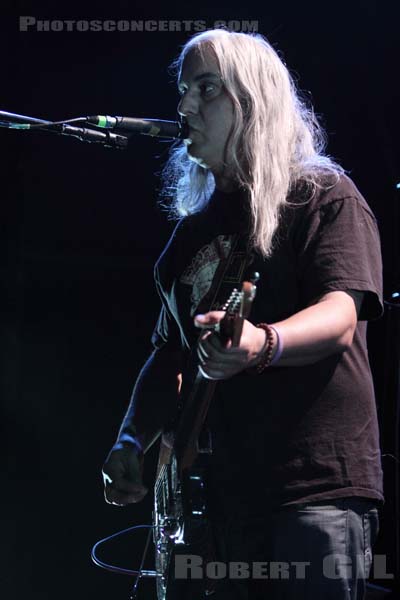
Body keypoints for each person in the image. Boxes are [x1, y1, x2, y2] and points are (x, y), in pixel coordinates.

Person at [102, 29, 384, 599]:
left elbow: (340, 314)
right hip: (218, 504)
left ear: (254, 101)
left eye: (207, 89)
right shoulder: (188, 239)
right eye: (183, 92)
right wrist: (131, 441)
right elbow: (169, 355)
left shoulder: (323, 198)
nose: (185, 107)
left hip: (312, 490)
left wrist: (262, 344)